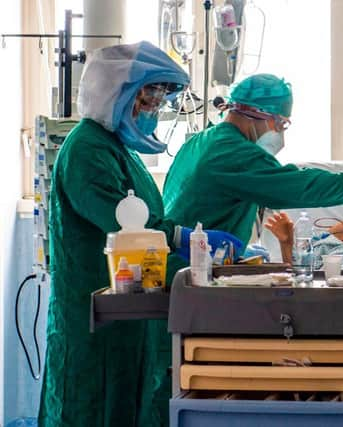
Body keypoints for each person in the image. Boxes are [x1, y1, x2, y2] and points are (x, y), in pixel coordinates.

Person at [38, 41, 235, 427]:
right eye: (148, 100)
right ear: (117, 94)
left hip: (127, 307)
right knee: (91, 405)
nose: (155, 110)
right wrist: (183, 239)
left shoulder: (118, 150)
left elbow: (143, 219)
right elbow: (127, 225)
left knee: (128, 401)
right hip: (94, 310)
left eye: (159, 101)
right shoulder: (86, 151)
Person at [162, 73, 343, 276]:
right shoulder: (233, 153)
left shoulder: (199, 142)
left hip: (182, 263)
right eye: (281, 124)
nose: (280, 134)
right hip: (191, 268)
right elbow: (298, 186)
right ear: (260, 114)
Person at [265, 212, 343, 266]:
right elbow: (300, 272)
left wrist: (286, 244)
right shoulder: (322, 245)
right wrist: (286, 243)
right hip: (336, 277)